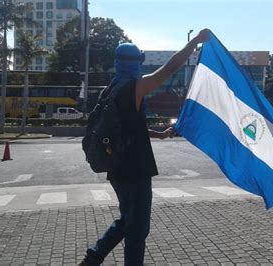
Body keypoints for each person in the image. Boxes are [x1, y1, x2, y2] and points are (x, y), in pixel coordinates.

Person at [79, 29, 210, 266]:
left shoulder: (110, 89)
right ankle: (95, 258)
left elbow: (124, 128)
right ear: (134, 63)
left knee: (128, 220)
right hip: (134, 170)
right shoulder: (133, 87)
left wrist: (158, 135)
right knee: (137, 229)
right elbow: (169, 68)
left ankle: (93, 258)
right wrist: (195, 42)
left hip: (117, 168)